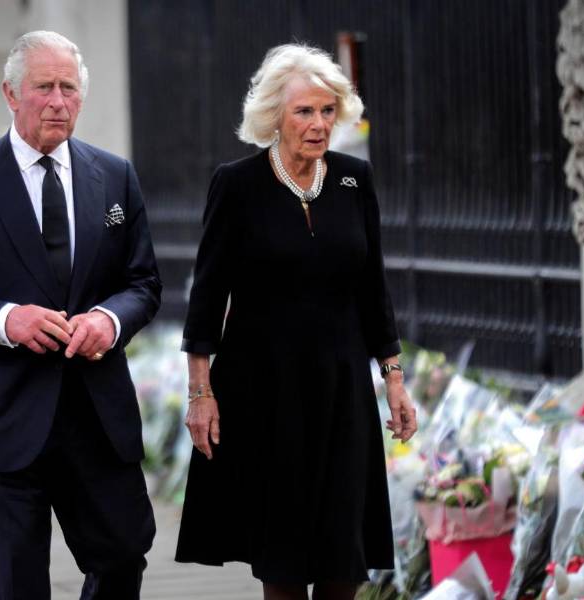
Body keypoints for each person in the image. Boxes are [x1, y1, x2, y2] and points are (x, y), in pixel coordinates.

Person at [0, 31, 160, 600]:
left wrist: (109, 321)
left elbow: (142, 282)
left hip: (97, 416)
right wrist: (6, 320)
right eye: (43, 87)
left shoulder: (115, 175)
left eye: (68, 88)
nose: (57, 101)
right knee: (15, 585)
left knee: (123, 556)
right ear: (10, 93)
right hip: (4, 416)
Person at [174, 44, 417, 600]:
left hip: (340, 393)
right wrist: (200, 394)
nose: (318, 124)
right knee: (281, 559)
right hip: (265, 395)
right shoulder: (237, 185)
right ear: (273, 116)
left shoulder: (355, 180)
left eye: (328, 110)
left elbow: (371, 287)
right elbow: (207, 300)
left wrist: (395, 378)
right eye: (304, 111)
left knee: (343, 556)